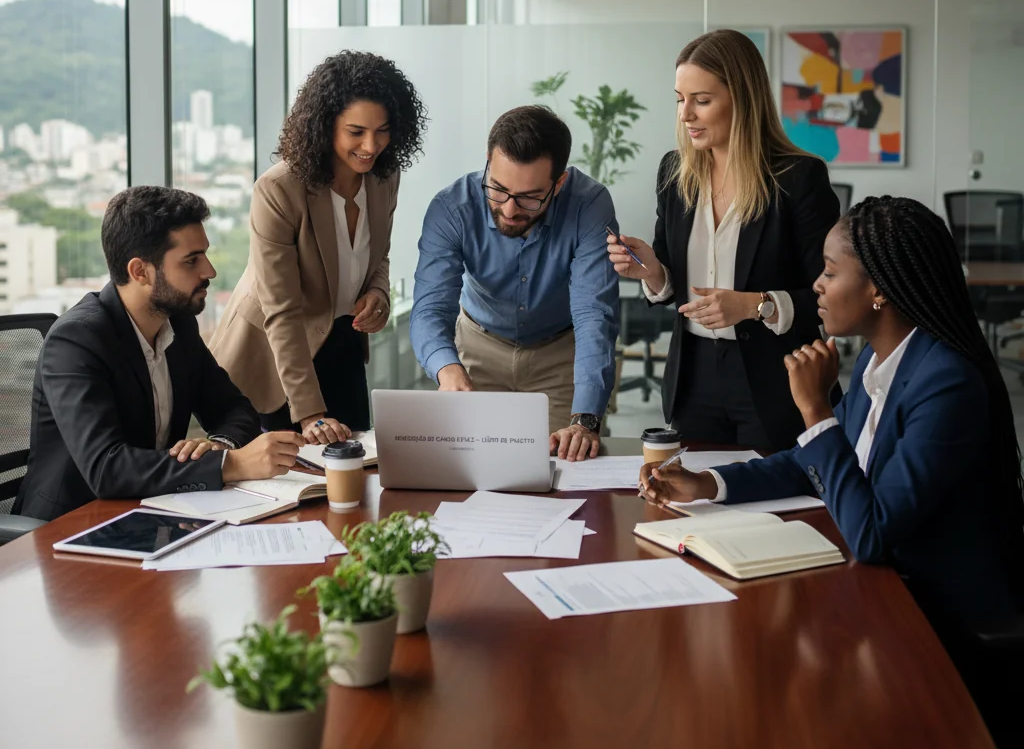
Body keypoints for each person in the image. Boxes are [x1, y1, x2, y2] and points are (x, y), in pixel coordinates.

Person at [640, 195, 1024, 627]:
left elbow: (872, 535)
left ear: (878, 289)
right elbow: (812, 463)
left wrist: (815, 408)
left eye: (830, 271)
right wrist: (706, 484)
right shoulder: (877, 359)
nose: (817, 285)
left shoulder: (945, 384)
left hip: (936, 617)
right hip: (881, 590)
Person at [608, 29, 839, 451]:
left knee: (770, 507)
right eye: (680, 99)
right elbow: (670, 284)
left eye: (702, 100)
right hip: (692, 378)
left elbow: (828, 296)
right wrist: (654, 272)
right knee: (694, 503)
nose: (685, 115)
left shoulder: (798, 178)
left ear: (743, 98)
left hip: (775, 378)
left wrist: (755, 305)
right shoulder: (673, 174)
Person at [13, 187, 298, 521]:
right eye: (191, 260)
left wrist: (221, 445)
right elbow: (107, 468)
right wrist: (230, 465)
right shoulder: (77, 340)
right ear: (140, 272)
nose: (209, 271)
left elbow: (234, 408)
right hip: (70, 526)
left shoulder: (178, 324)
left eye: (205, 254)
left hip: (151, 511)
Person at [210, 50, 427, 443]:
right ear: (326, 126)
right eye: (356, 131)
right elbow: (281, 310)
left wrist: (378, 291)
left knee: (356, 471)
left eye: (382, 130)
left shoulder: (384, 177)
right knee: (291, 485)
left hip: (341, 341)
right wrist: (310, 413)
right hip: (273, 356)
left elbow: (378, 253)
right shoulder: (278, 189)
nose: (371, 145)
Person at [410, 105, 619, 462]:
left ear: (560, 182)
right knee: (471, 470)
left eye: (529, 197)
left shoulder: (589, 204)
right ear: (488, 163)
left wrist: (584, 418)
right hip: (478, 349)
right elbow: (431, 307)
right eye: (498, 189)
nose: (509, 210)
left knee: (566, 468)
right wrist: (448, 369)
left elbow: (593, 313)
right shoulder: (451, 208)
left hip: (560, 354)